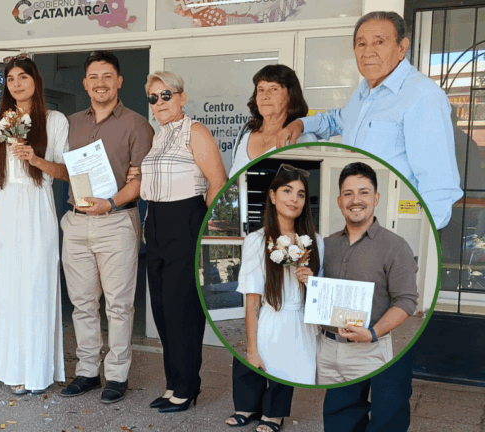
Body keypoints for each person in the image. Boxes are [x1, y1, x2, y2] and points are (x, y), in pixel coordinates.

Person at [275, 11, 462, 230]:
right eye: (361, 44)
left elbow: (439, 186)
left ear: (402, 47)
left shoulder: (421, 95)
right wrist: (301, 124)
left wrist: (417, 237)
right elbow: (336, 120)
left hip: (396, 226)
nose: (368, 52)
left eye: (379, 42)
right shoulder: (364, 91)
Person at [59, 51, 154, 404]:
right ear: (85, 84)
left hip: (116, 221)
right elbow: (63, 169)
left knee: (118, 305)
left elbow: (140, 180)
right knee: (82, 303)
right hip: (76, 222)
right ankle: (87, 371)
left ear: (119, 81)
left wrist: (110, 202)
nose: (101, 83)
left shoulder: (137, 125)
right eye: (94, 77)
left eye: (107, 76)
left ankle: (116, 374)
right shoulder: (69, 124)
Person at [0, 56, 68, 395]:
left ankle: (36, 369)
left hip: (38, 208)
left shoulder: (55, 120)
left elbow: (66, 172)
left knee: (35, 286)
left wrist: (36, 159)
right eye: (10, 78)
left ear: (36, 81)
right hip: (3, 209)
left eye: (23, 77)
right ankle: (8, 367)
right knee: (5, 289)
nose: (16, 83)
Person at [138, 71, 226, 413]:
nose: (159, 102)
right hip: (156, 222)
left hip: (187, 220)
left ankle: (187, 387)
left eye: (166, 95)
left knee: (182, 309)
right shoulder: (159, 136)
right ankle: (173, 383)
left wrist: (206, 232)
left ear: (182, 97)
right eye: (153, 98)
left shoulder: (196, 131)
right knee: (162, 309)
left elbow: (217, 182)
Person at [321, 162, 418, 431]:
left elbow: (406, 300)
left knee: (388, 417)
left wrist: (373, 333)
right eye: (348, 193)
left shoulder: (395, 246)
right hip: (332, 347)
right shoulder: (327, 245)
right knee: (340, 417)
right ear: (339, 201)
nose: (356, 200)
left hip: (375, 346)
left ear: (376, 198)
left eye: (363, 192)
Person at [228, 163, 323, 432]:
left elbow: (321, 293)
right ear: (272, 195)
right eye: (287, 191)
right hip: (270, 312)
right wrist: (251, 348)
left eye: (301, 194)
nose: (294, 199)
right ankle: (246, 406)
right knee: (255, 358)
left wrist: (312, 281)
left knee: (286, 367)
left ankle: (274, 414)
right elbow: (252, 300)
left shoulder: (315, 242)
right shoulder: (257, 240)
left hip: (299, 316)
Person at [227, 64, 316, 180]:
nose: (265, 96)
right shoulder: (245, 132)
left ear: (291, 95)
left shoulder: (303, 138)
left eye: (274, 89)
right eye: (261, 90)